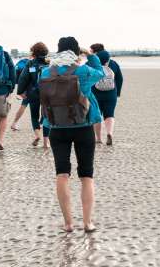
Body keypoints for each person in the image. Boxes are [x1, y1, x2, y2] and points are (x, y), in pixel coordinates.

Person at [40, 37, 105, 233]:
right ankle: (87, 222)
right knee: (86, 176)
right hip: (83, 126)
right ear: (76, 52)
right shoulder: (83, 71)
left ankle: (68, 223)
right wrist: (90, 56)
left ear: (58, 51)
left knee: (62, 174)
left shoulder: (46, 72)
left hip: (56, 128)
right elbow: (100, 74)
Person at [16, 42, 50, 148]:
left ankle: (37, 135)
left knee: (34, 116)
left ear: (34, 52)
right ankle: (46, 143)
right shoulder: (49, 63)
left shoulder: (30, 63)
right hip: (47, 94)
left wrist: (20, 91)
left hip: (33, 93)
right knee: (46, 117)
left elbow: (23, 78)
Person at [90, 44, 124, 146]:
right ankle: (109, 133)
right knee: (109, 114)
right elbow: (120, 78)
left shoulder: (92, 63)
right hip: (111, 93)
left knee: (97, 116)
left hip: (95, 93)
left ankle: (98, 138)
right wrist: (117, 93)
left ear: (95, 52)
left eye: (91, 51)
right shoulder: (113, 63)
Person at [10, 56, 32, 131]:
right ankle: (43, 123)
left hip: (27, 89)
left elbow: (23, 78)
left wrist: (21, 91)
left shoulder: (25, 63)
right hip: (35, 88)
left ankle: (14, 123)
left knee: (23, 105)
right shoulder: (35, 63)